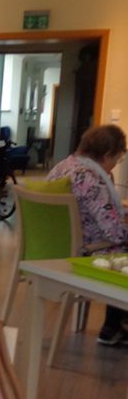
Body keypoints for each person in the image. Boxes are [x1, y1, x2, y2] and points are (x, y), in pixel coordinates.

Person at [48, 123, 128, 346]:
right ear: (107, 154)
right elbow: (115, 232)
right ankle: (114, 326)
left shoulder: (63, 167)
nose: (116, 164)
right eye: (118, 158)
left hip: (57, 245)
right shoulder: (90, 179)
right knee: (122, 249)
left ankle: (115, 326)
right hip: (83, 251)